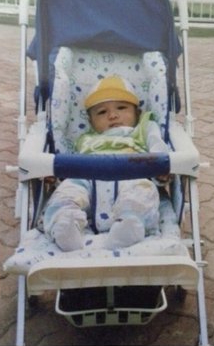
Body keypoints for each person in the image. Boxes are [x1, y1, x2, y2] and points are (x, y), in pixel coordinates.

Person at [41, 75, 170, 251]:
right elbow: (69, 164)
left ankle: (130, 224)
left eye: (122, 107)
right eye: (101, 112)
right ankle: (65, 224)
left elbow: (157, 147)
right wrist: (55, 176)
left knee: (142, 192)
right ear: (91, 121)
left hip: (132, 174)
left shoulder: (143, 128)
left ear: (137, 113)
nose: (112, 115)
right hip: (86, 175)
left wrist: (160, 168)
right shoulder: (85, 139)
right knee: (67, 192)